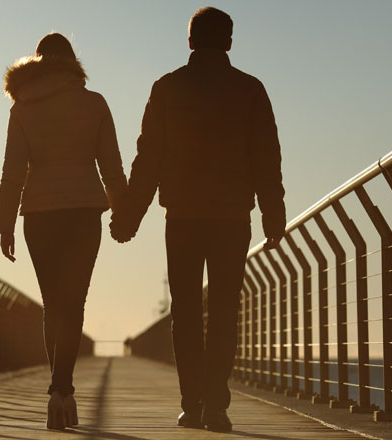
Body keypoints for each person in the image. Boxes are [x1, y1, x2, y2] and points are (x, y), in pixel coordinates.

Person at [110, 7, 286, 433]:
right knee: (225, 309)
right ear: (228, 42)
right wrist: (273, 212)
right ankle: (217, 406)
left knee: (186, 311)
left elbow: (148, 158)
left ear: (190, 42)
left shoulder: (167, 88)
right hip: (231, 218)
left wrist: (129, 216)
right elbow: (267, 156)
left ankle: (192, 403)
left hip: (183, 216)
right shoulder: (250, 90)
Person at [0, 32, 128, 430]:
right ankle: (62, 389)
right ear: (74, 64)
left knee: (52, 303)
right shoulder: (94, 103)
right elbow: (111, 166)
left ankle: (59, 389)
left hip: (38, 214)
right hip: (84, 212)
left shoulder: (22, 108)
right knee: (73, 301)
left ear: (38, 63)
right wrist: (123, 215)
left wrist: (5, 225)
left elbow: (13, 171)